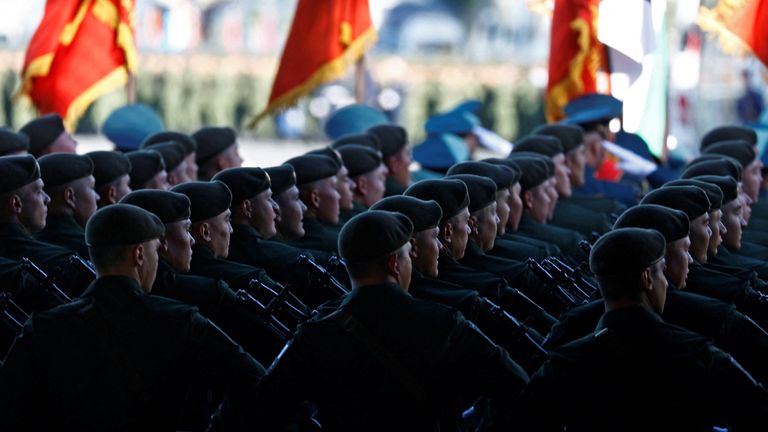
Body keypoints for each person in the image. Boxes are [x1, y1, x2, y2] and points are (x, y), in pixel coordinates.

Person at [252, 210, 529, 431]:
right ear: (394, 264)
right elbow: (517, 387)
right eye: (407, 255)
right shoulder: (443, 323)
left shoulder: (316, 333)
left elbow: (265, 409)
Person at [0, 204, 266, 430]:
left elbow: (10, 407)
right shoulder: (181, 321)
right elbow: (257, 385)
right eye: (154, 251)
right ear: (139, 254)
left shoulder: (43, 327)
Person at [515, 227, 768, 431]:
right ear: (647, 278)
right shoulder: (694, 352)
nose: (665, 284)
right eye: (661, 274)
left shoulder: (564, 363)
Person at [35, 153, 99, 257]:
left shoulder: (31, 242)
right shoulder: (93, 250)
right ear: (70, 197)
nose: (97, 197)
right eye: (92, 188)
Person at [284, 154, 341, 253]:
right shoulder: (339, 247)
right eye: (334, 188)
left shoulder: (282, 244)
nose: (338, 196)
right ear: (315, 198)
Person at [367, 124, 412, 196]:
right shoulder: (408, 199)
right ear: (393, 163)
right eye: (407, 153)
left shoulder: (368, 197)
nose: (410, 162)